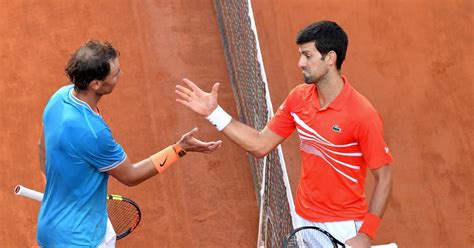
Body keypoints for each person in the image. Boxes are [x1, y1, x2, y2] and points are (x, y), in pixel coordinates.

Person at [175, 21, 393, 248]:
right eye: (300, 55)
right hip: (303, 218)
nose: (300, 63)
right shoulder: (299, 99)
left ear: (330, 58)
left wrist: (367, 234)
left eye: (307, 56)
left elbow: (384, 176)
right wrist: (214, 113)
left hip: (343, 226)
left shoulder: (362, 114)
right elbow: (260, 144)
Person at [37, 40, 222, 247]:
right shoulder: (93, 133)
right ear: (95, 84)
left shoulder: (59, 98)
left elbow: (42, 148)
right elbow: (131, 175)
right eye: (115, 74)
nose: (120, 76)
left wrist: (56, 188)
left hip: (51, 227)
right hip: (81, 240)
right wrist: (180, 149)